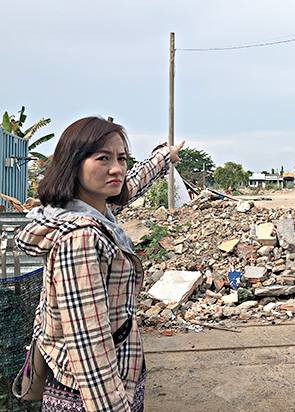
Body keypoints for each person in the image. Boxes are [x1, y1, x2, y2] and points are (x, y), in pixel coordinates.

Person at [15, 116, 184, 412]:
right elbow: (87, 342)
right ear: (73, 164)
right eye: (102, 158)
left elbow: (132, 183)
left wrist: (164, 156)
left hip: (114, 375)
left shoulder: (90, 208)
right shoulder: (80, 237)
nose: (116, 168)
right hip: (91, 394)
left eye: (122, 158)